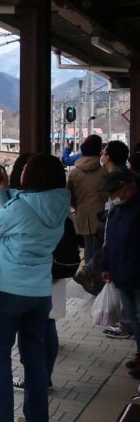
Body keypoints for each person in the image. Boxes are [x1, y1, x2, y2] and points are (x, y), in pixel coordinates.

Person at [0, 154, 70, 422]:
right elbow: (27, 208)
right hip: (39, 293)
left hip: (8, 291)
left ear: (33, 177)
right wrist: (3, 189)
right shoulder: (59, 204)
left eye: (24, 170)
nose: (21, 173)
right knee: (34, 358)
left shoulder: (22, 208)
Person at [5, 153, 80, 390]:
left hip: (31, 274)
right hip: (57, 269)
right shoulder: (61, 201)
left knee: (31, 330)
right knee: (48, 325)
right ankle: (44, 376)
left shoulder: (25, 205)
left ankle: (35, 379)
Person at [99, 168, 140, 377]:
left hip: (136, 274)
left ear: (128, 188)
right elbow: (110, 240)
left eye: (114, 192)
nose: (111, 197)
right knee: (133, 318)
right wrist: (106, 265)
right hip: (121, 273)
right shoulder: (118, 209)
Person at [67, 134, 108, 275]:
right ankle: (91, 274)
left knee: (88, 248)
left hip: (82, 215)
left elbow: (69, 195)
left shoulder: (74, 173)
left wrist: (78, 206)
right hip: (101, 215)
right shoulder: (104, 172)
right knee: (99, 248)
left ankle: (89, 275)